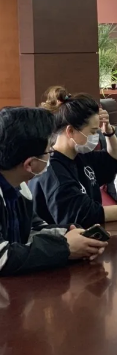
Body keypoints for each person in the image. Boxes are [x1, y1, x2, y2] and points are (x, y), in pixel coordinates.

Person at [0, 107, 108, 276]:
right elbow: (3, 257)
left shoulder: (19, 187)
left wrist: (68, 234)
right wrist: (64, 247)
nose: (52, 154)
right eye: (49, 150)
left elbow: (34, 228)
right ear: (30, 164)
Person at [30, 94, 117, 227]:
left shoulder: (80, 156)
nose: (95, 137)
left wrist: (108, 131)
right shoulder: (53, 170)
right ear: (70, 131)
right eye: (92, 131)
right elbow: (85, 214)